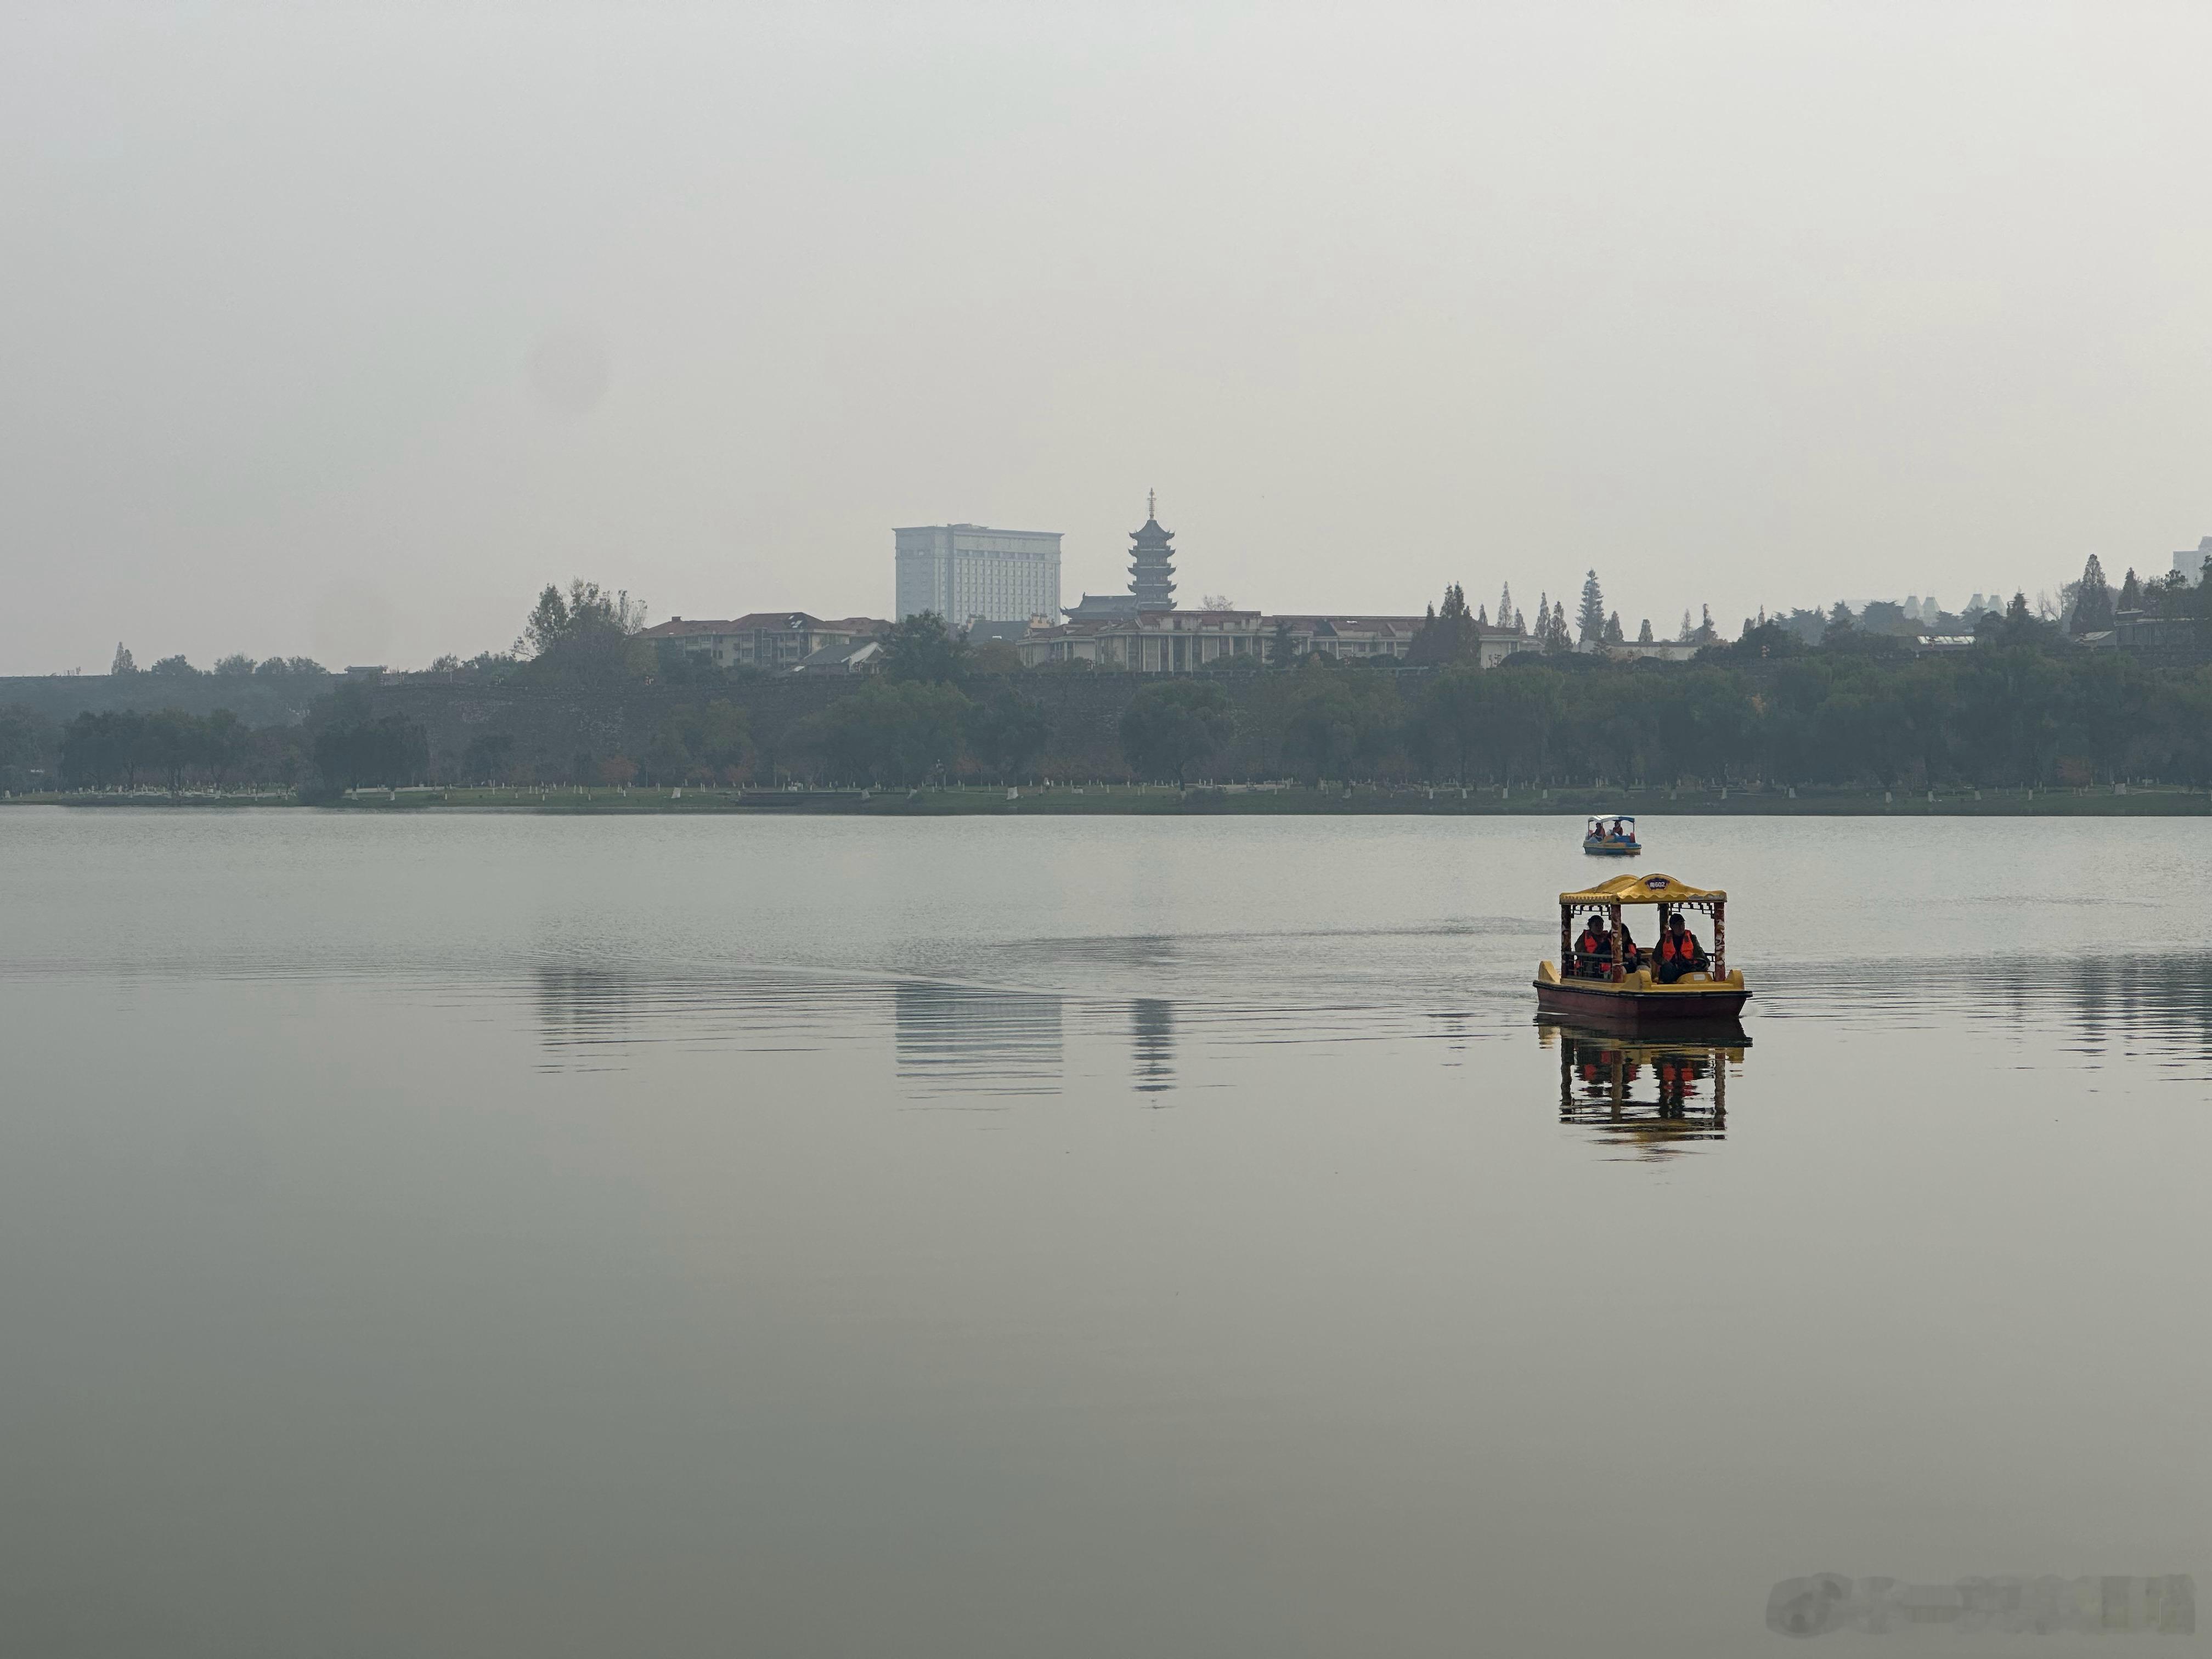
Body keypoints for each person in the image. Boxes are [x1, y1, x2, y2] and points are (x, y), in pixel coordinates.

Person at [1656, 913, 1708, 983]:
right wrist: (1664, 962)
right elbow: (1656, 955)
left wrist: (1703, 961)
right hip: (1672, 968)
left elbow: (1699, 951)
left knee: (1700, 966)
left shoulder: (1692, 938)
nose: (1681, 927)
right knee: (1667, 968)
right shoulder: (1664, 939)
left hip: (1688, 967)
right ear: (1672, 926)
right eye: (1678, 925)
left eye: (1682, 924)